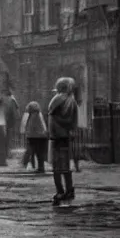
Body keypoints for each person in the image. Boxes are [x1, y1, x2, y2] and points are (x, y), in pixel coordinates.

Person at [48, 77, 79, 205]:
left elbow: (55, 116)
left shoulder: (59, 100)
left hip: (57, 136)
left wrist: (55, 120)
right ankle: (68, 190)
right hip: (64, 136)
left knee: (57, 168)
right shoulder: (70, 100)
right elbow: (71, 120)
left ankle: (61, 191)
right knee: (64, 166)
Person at [20, 101, 48, 173]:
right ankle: (40, 167)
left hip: (36, 137)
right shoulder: (38, 114)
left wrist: (27, 134)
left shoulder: (34, 115)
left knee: (34, 152)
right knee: (39, 154)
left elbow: (31, 127)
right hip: (41, 136)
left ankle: (37, 167)